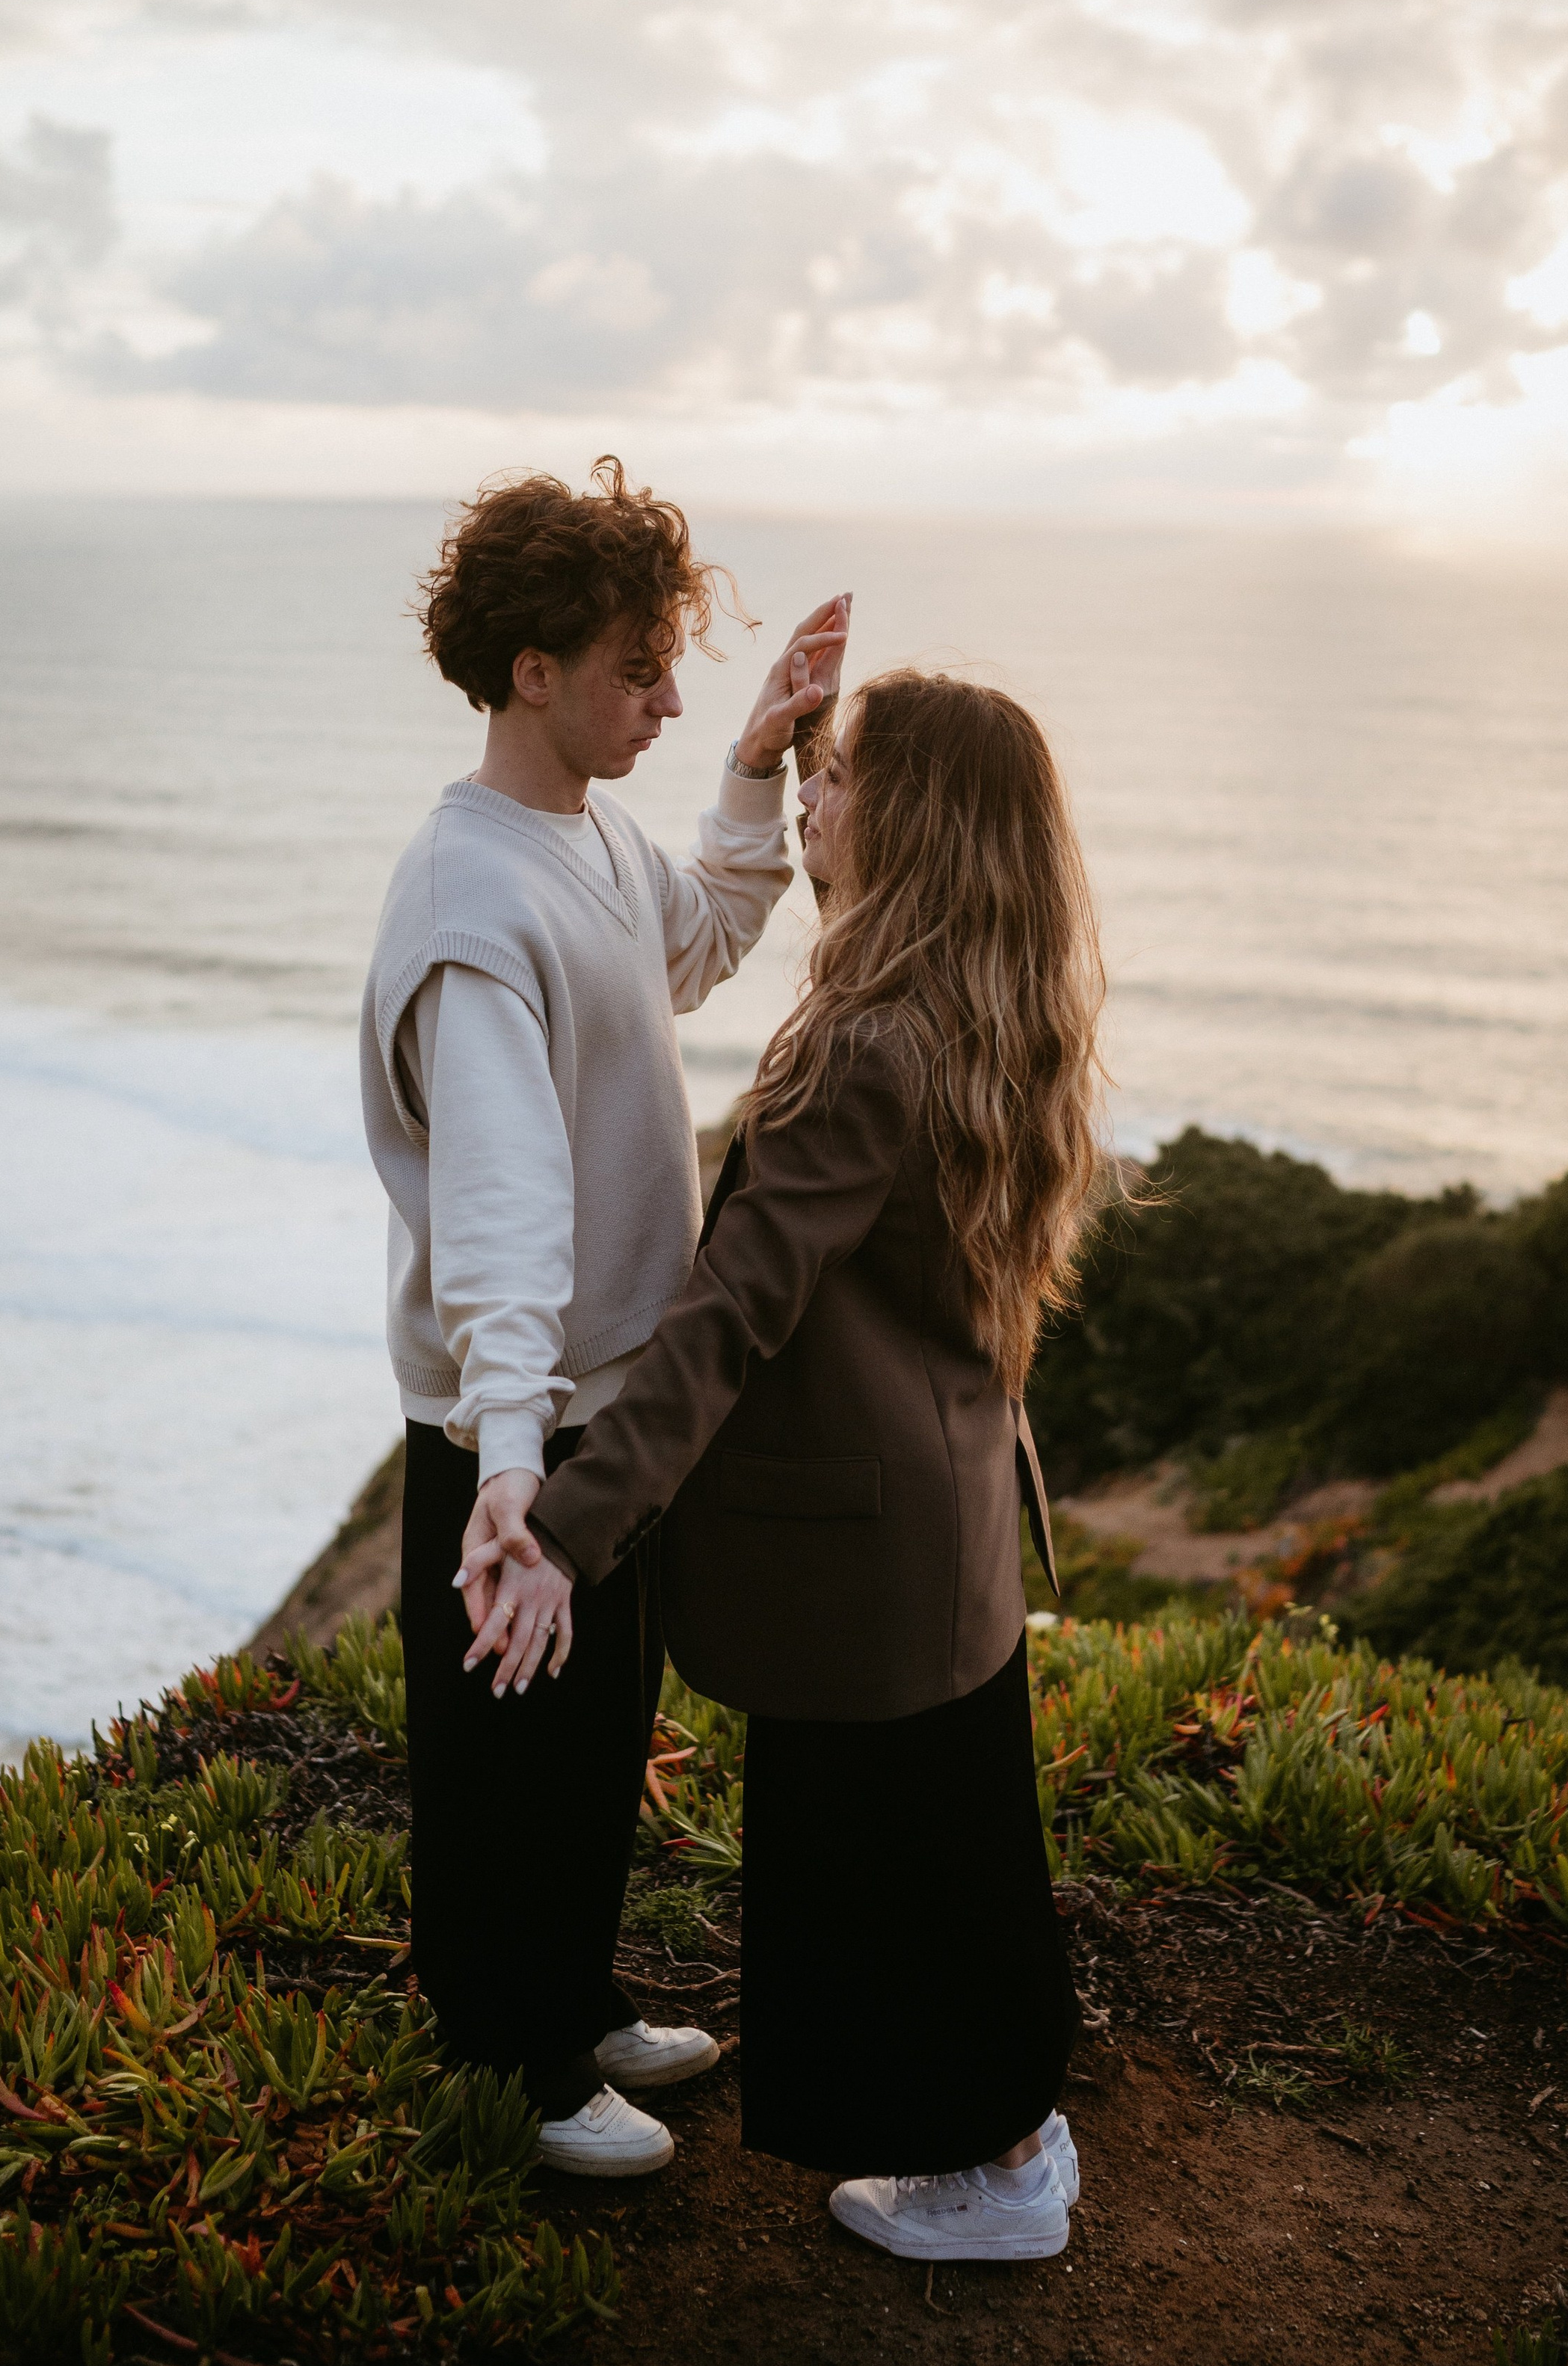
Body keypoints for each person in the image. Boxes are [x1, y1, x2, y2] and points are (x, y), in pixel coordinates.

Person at [462, 668, 1105, 2261]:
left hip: (861, 1551)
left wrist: (567, 1523)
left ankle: (992, 2173)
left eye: (834, 777)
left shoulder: (866, 1048)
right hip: (947, 1530)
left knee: (889, 1870)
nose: (811, 798)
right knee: (962, 1845)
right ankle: (1015, 2131)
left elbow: (728, 1312)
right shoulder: (988, 1006)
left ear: (911, 819)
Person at [360, 458, 847, 2177]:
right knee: (512, 1755)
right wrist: (510, 1460)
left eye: (670, 662)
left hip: (605, 1406)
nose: (663, 691)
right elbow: (496, 1205)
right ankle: (515, 2059)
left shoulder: (582, 833)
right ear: (531, 672)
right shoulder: (467, 895)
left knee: (588, 1731)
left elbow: (693, 942)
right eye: (638, 668)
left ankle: (565, 1992)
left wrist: (747, 766)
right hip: (525, 1421)